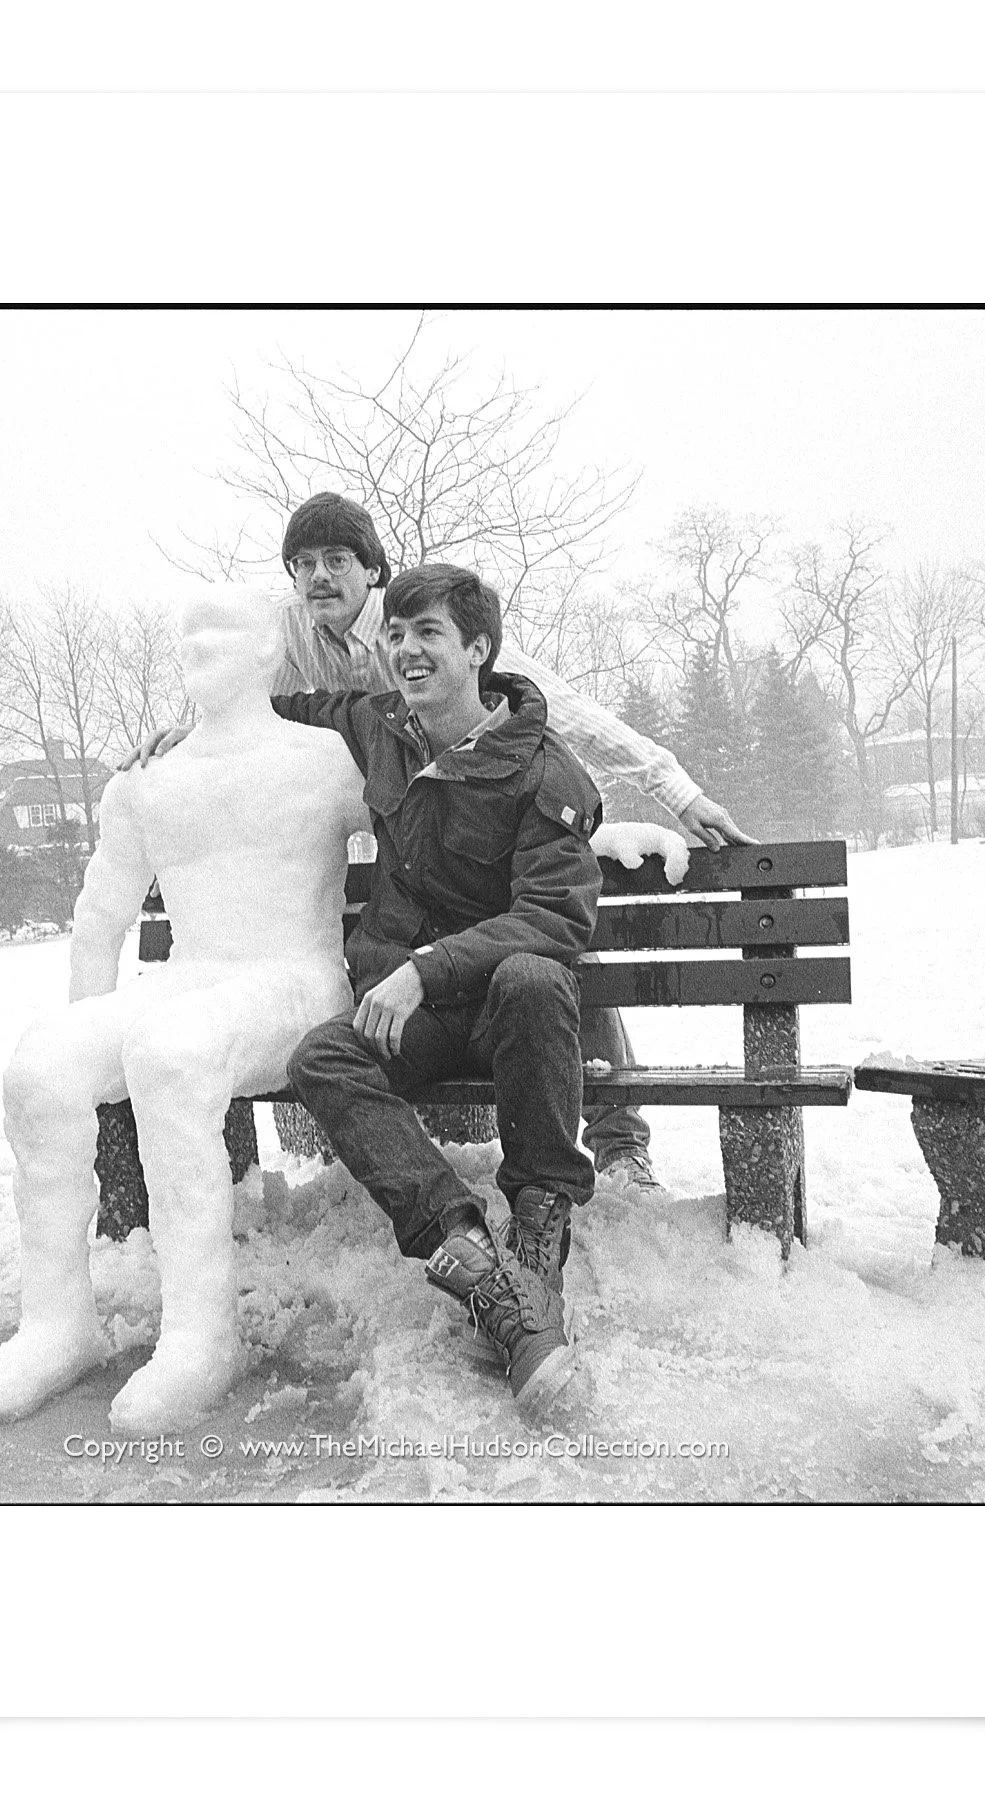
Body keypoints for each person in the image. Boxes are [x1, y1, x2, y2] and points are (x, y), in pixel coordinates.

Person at [137, 491, 751, 1199]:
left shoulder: (433, 626)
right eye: (302, 564)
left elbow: (570, 716)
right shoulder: (298, 636)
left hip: (495, 798)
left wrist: (678, 789)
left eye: (337, 560)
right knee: (392, 980)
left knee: (545, 948)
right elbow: (260, 707)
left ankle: (615, 1137)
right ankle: (434, 1199)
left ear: (373, 568)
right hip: (405, 825)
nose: (319, 578)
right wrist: (200, 732)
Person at [0, 586, 368, 1436]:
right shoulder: (151, 780)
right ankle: (56, 1321)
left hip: (297, 977)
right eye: (187, 636)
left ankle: (199, 1334)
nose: (197, 647)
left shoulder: (328, 758)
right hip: (195, 974)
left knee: (174, 1054)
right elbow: (100, 910)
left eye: (221, 633)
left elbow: (442, 828)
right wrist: (85, 1046)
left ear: (269, 651)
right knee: (40, 1067)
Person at [274, 563, 601, 1412]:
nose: (406, 651)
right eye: (396, 634)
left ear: (479, 649)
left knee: (536, 978)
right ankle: (472, 1256)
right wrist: (177, 736)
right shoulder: (378, 725)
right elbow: (261, 716)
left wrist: (423, 968)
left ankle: (536, 1234)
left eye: (429, 635)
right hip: (410, 1023)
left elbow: (553, 921)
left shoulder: (546, 774)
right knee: (322, 1057)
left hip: (499, 1014)